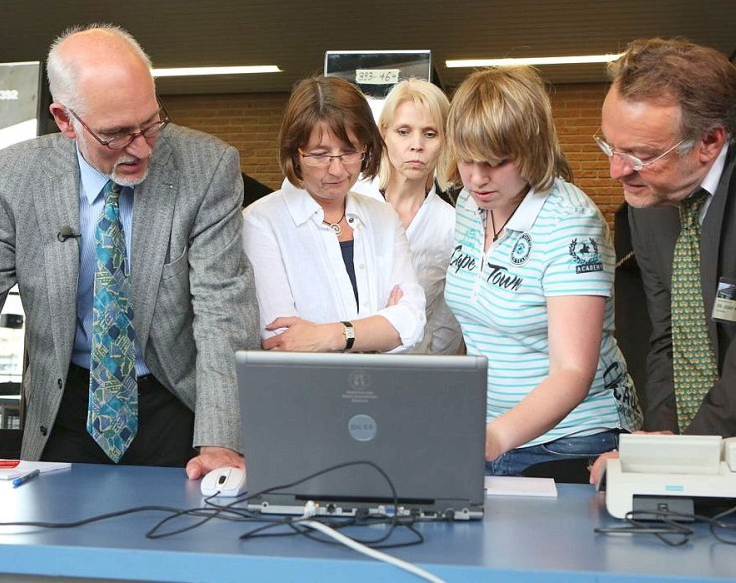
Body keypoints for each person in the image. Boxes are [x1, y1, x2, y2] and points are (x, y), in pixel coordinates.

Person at [0, 24, 260, 479]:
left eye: (151, 123)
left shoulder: (208, 167)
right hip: (64, 403)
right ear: (65, 120)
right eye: (115, 134)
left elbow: (224, 311)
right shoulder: (14, 176)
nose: (140, 148)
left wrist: (220, 441)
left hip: (173, 400)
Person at [590, 37, 736, 486]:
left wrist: (687, 457)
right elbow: (669, 334)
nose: (617, 172)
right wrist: (664, 438)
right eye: (611, 148)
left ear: (709, 141)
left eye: (640, 156)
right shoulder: (654, 192)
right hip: (712, 448)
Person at [444, 66, 641, 477]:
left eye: (496, 162)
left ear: (531, 149)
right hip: (493, 429)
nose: (478, 178)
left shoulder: (569, 223)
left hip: (574, 436)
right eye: (467, 159)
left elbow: (573, 371)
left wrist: (495, 438)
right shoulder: (469, 203)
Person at [242, 76, 425, 353]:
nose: (337, 170)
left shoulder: (383, 217)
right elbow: (283, 339)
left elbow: (410, 322)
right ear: (294, 152)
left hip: (379, 389)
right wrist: (377, 329)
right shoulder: (260, 222)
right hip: (305, 391)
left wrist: (330, 336)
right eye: (319, 155)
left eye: (350, 151)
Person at [354, 79, 463, 354]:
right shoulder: (351, 204)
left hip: (416, 371)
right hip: (344, 363)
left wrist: (430, 368)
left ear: (444, 140)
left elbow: (447, 319)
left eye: (430, 133)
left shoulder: (452, 225)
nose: (416, 145)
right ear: (384, 133)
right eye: (404, 131)